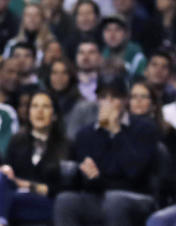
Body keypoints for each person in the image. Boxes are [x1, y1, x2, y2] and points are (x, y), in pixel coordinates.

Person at [53, 75, 159, 226]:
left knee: (114, 201)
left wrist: (116, 131)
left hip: (137, 196)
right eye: (103, 97)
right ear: (97, 100)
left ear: (125, 100)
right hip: (99, 196)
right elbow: (84, 181)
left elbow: (135, 172)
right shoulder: (86, 134)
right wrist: (88, 176)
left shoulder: (144, 128)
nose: (108, 103)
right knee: (65, 201)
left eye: (114, 97)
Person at [0, 89, 73, 226]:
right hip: (16, 199)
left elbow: (64, 190)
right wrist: (6, 171)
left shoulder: (66, 145)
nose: (39, 111)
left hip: (48, 203)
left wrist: (28, 185)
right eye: (35, 106)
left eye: (46, 106)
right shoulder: (17, 140)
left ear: (54, 115)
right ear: (29, 113)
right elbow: (10, 177)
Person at [44, 58, 97, 140]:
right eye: (55, 73)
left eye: (64, 73)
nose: (59, 77)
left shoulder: (85, 107)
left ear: (71, 77)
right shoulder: (43, 104)